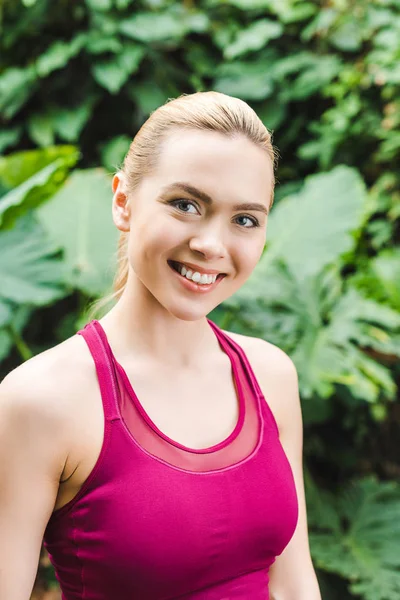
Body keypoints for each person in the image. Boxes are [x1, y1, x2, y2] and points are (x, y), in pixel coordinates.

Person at [0, 91, 321, 600]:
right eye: (186, 205)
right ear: (123, 202)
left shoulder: (270, 375)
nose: (212, 245)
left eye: (244, 219)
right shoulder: (42, 401)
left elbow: (293, 581)